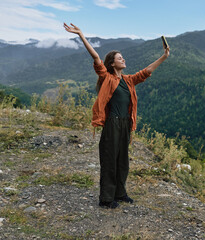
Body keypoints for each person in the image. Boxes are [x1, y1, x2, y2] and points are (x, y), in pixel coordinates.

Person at [64, 23, 170, 209]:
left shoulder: (128, 80)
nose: (123, 59)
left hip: (125, 124)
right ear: (112, 63)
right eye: (120, 58)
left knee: (122, 161)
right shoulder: (106, 77)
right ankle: (105, 198)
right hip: (112, 123)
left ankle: (120, 193)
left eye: (123, 57)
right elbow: (96, 57)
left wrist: (164, 56)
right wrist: (81, 34)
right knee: (109, 160)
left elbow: (147, 71)